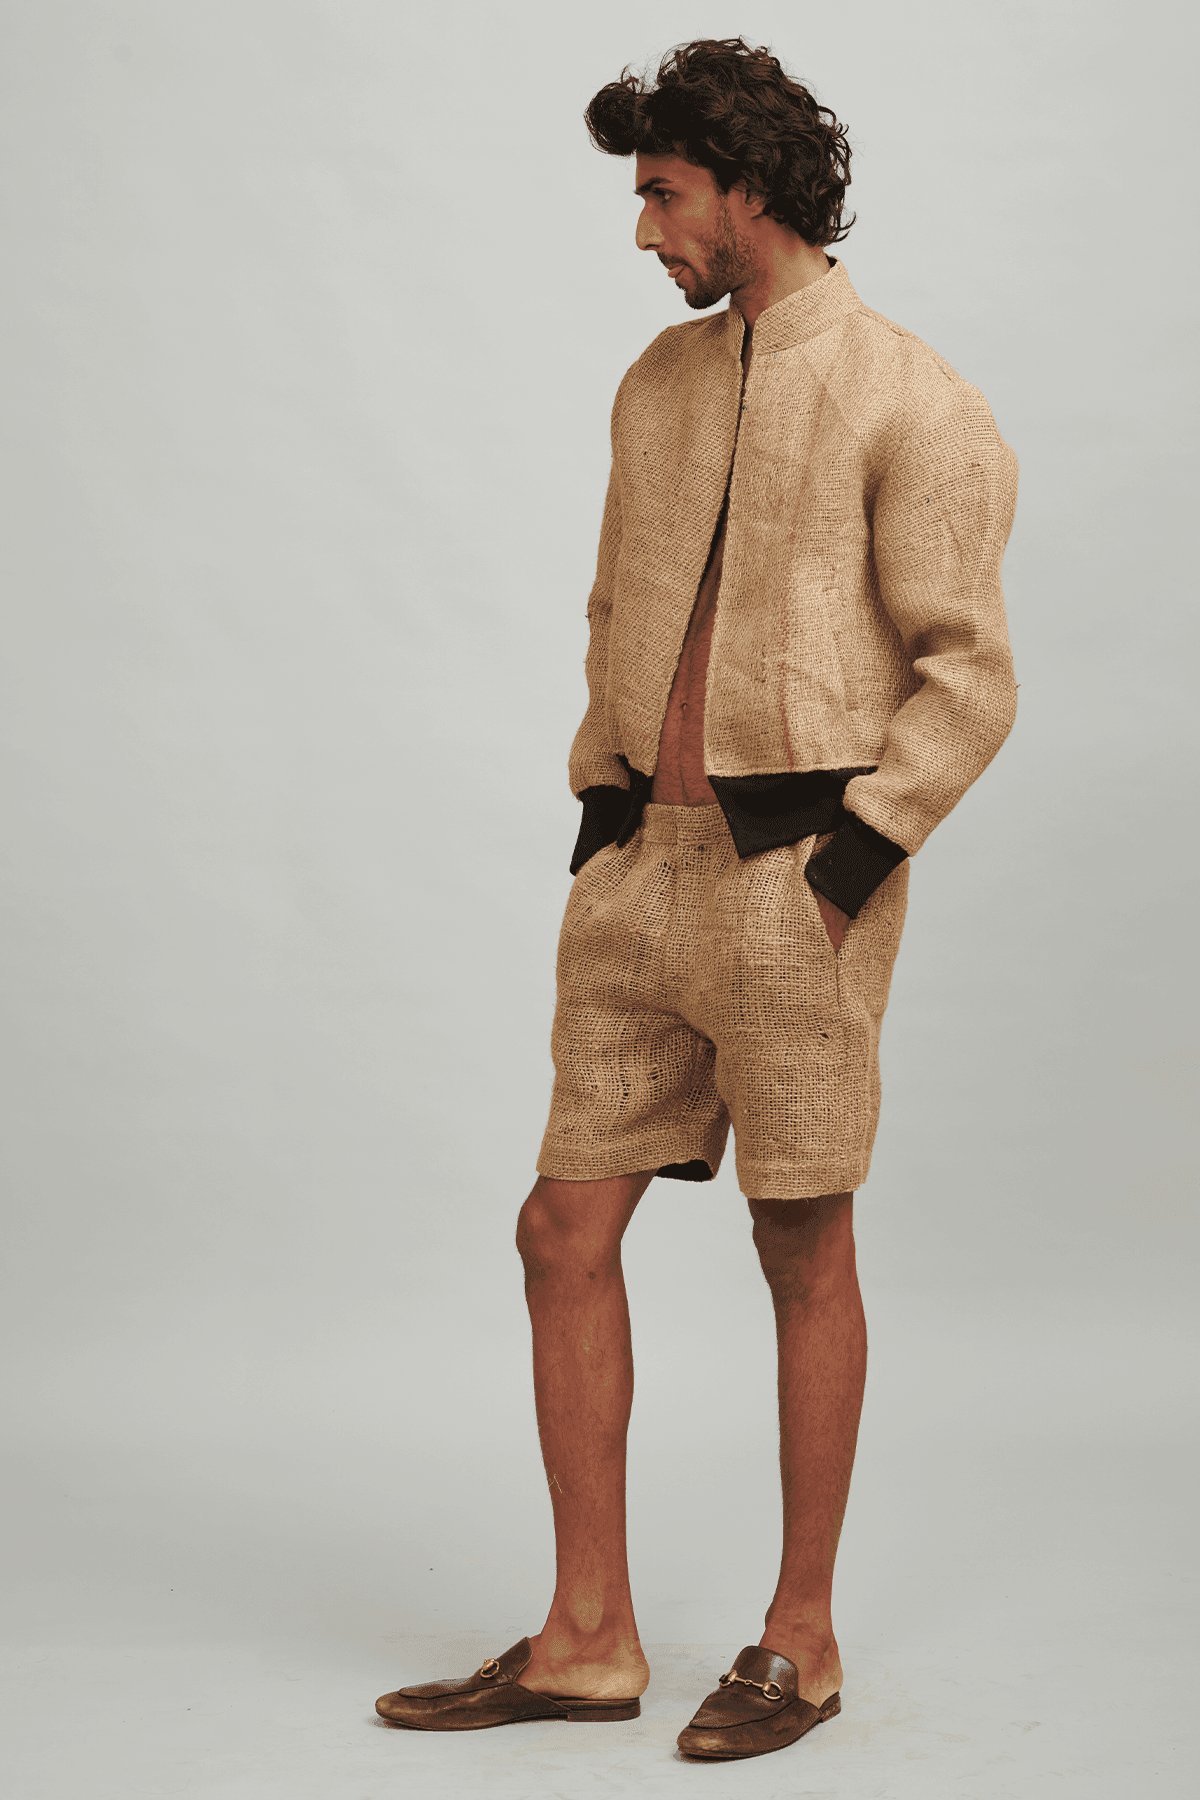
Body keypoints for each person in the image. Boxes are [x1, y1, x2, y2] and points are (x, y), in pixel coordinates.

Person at [377, 37, 1018, 1763]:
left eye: (663, 193)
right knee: (558, 1231)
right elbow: (616, 608)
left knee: (801, 1243)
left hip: (796, 882)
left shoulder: (913, 398)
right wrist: (603, 808)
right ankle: (589, 1636)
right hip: (637, 875)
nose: (645, 229)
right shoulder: (656, 383)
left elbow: (971, 678)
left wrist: (850, 868)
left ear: (749, 188)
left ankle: (801, 1639)